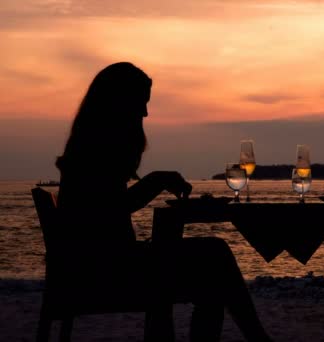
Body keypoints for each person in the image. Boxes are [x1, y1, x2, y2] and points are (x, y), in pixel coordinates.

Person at [55, 62, 272, 341]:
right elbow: (113, 206)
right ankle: (258, 338)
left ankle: (257, 338)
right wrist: (156, 180)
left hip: (96, 265)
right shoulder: (93, 151)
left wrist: (156, 181)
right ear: (119, 103)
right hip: (102, 272)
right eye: (141, 103)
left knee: (213, 267)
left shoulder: (87, 145)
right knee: (215, 258)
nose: (145, 112)